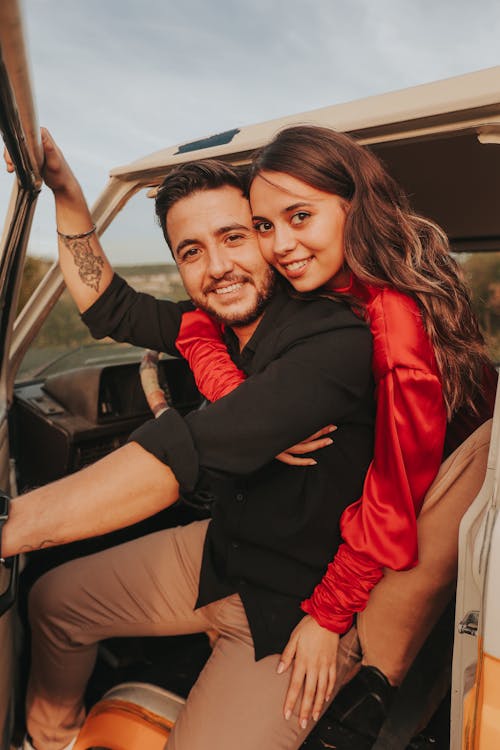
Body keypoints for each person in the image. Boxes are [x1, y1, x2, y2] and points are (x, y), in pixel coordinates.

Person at [2, 132, 375, 750]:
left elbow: (187, 449)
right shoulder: (213, 326)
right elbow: (108, 307)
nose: (217, 267)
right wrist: (68, 197)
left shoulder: (333, 342)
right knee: (53, 602)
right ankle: (55, 737)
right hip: (221, 552)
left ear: (266, 234)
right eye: (191, 251)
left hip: (298, 608)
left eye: (233, 237)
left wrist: (10, 525)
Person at [170, 125, 496, 744]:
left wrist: (326, 617)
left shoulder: (394, 328)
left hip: (410, 536)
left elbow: (394, 499)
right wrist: (240, 399)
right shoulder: (329, 286)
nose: (280, 246)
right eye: (264, 226)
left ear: (353, 204)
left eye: (299, 217)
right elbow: (197, 322)